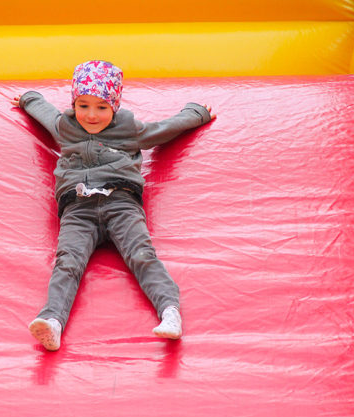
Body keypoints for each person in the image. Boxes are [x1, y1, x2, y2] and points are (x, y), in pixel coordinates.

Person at [12, 60, 215, 351]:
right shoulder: (66, 127)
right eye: (82, 105)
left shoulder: (128, 129)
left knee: (141, 254)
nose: (91, 115)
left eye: (101, 107)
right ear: (73, 103)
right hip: (78, 207)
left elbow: (163, 130)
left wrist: (196, 113)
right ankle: (52, 320)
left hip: (121, 202)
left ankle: (169, 311)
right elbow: (45, 113)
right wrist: (29, 99)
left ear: (114, 106)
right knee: (68, 261)